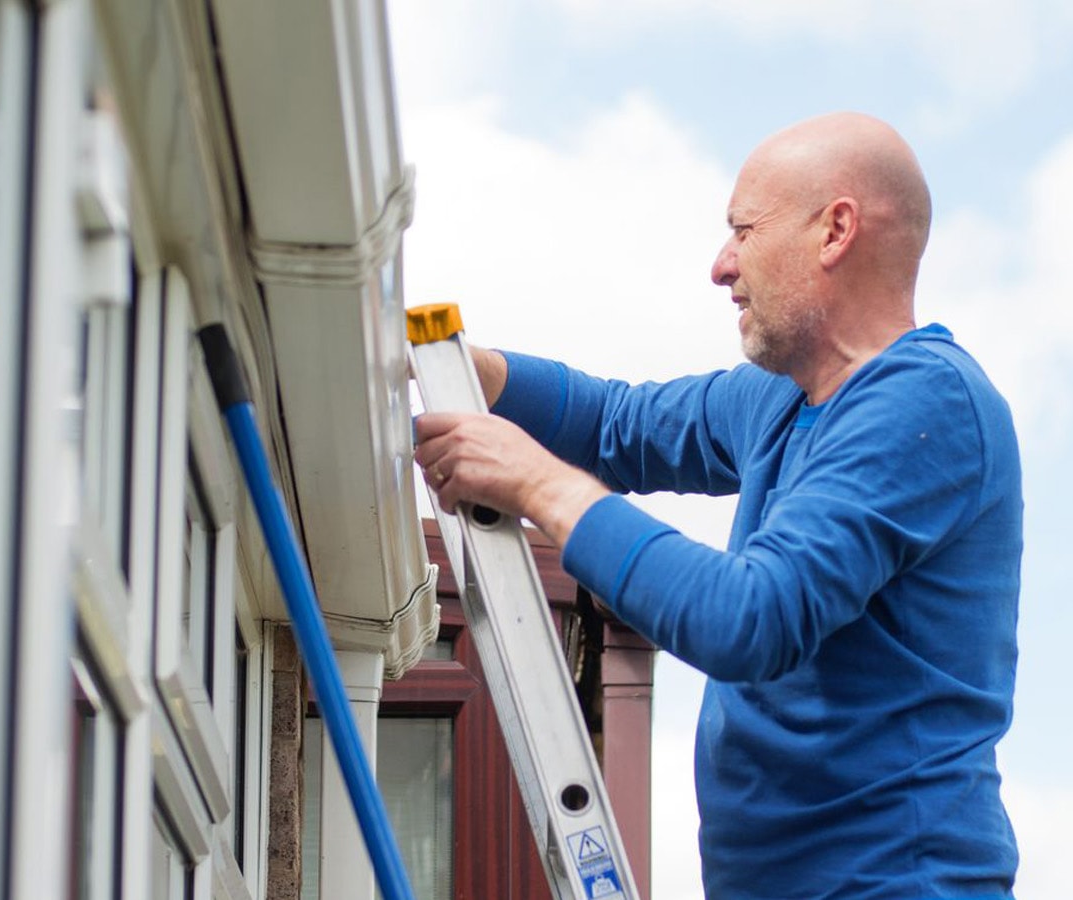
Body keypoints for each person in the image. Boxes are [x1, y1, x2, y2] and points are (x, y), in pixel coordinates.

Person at [414, 112, 1022, 898]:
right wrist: (469, 369)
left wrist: (537, 484)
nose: (721, 265)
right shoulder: (781, 399)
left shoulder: (924, 402)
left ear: (835, 230)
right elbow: (614, 424)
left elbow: (750, 618)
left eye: (744, 230)